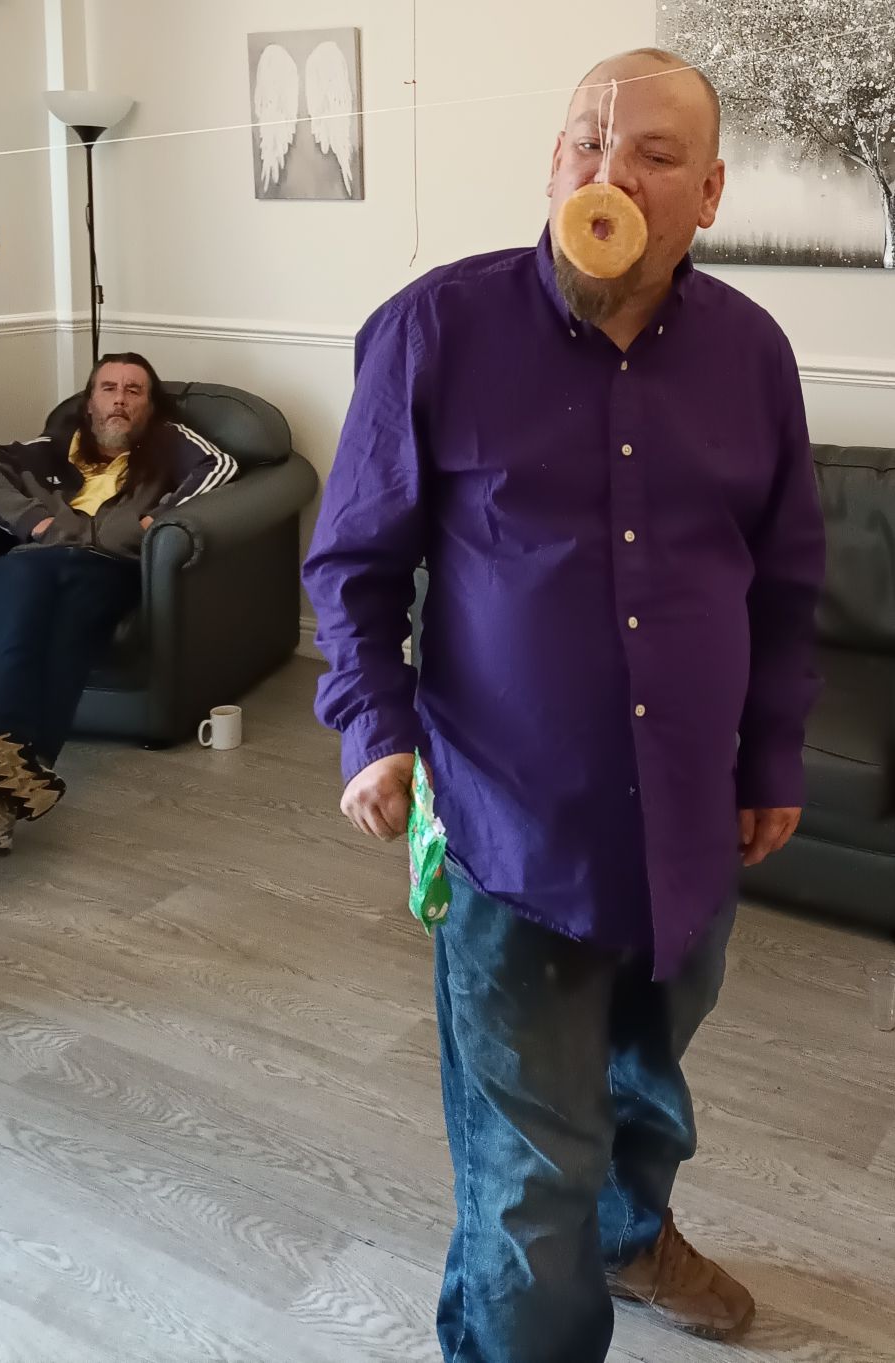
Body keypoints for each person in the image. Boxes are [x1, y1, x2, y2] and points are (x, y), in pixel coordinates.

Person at [303, 47, 825, 1363]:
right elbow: (353, 562)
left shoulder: (751, 354)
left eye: (652, 153)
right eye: (585, 143)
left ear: (707, 194)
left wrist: (770, 754)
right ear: (550, 168)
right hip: (509, 832)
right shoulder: (435, 328)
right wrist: (373, 727)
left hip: (691, 824)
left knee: (647, 1082)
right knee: (527, 1179)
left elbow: (783, 578)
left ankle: (633, 1233)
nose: (611, 172)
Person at [0, 352, 238, 853]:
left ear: (150, 405)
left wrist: (154, 519)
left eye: (134, 390)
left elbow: (221, 465)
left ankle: (1, 775)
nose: (120, 399)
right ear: (89, 401)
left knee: (68, 635)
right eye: (108, 388)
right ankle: (16, 781)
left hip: (106, 569)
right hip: (29, 562)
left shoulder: (168, 443)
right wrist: (33, 521)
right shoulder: (52, 448)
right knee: (21, 629)